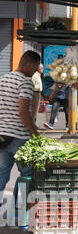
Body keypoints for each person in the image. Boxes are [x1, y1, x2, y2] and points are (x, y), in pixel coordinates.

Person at [1, 52, 43, 197]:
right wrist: (35, 133)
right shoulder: (25, 82)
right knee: (27, 174)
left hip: (2, 137)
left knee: (1, 175)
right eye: (36, 66)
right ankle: (25, 209)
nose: (36, 70)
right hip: (20, 137)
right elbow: (23, 111)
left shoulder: (3, 79)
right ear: (30, 64)